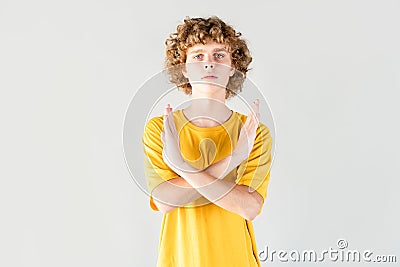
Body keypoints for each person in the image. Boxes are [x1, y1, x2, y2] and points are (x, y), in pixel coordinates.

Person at [142, 16, 273, 267]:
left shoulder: (252, 132)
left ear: (234, 67)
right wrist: (233, 159)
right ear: (182, 68)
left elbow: (249, 207)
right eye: (198, 56)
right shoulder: (161, 128)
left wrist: (181, 168)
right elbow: (165, 201)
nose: (209, 64)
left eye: (219, 55)